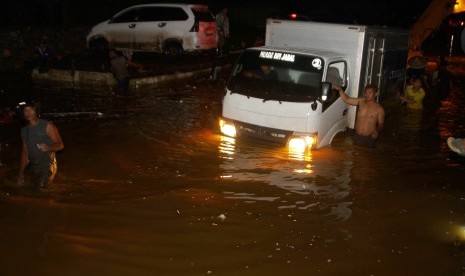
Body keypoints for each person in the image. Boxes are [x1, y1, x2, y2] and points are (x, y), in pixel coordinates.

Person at [17, 101, 64, 189]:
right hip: (33, 165)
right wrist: (21, 173)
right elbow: (25, 153)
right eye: (25, 110)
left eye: (31, 109)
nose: (28, 113)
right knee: (24, 188)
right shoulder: (24, 130)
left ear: (36, 111)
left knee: (40, 190)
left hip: (47, 166)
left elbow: (60, 145)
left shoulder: (48, 125)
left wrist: (49, 148)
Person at [335, 84, 385, 148]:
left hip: (370, 137)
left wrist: (377, 130)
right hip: (357, 136)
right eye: (366, 93)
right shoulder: (361, 101)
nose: (367, 95)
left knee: (366, 155)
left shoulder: (379, 109)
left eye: (370, 93)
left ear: (376, 94)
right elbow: (347, 99)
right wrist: (340, 90)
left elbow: (381, 124)